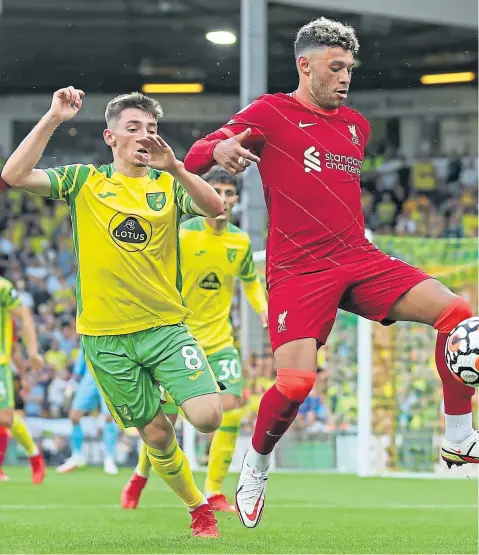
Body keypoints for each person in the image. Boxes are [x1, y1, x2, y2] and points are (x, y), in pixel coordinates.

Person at [183, 17, 478, 528]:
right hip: (299, 270)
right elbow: (196, 153)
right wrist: (222, 149)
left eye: (349, 68)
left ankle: (457, 436)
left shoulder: (356, 126)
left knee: (458, 313)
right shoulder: (271, 111)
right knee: (295, 383)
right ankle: (255, 462)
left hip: (358, 258)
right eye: (335, 67)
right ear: (305, 65)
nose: (345, 77)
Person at [1, 87, 226, 538]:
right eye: (134, 127)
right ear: (111, 137)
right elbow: (15, 174)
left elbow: (215, 207)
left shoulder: (167, 184)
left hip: (165, 328)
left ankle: (168, 397)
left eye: (153, 129)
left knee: (207, 418)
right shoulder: (86, 181)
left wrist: (178, 168)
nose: (146, 136)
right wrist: (52, 118)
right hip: (106, 339)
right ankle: (197, 508)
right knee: (158, 436)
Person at [121, 166, 268, 511]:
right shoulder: (183, 234)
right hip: (180, 341)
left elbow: (249, 281)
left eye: (229, 193)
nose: (223, 198)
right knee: (166, 421)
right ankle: (140, 474)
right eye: (216, 191)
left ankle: (214, 490)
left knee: (232, 407)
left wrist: (262, 307)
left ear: (235, 200)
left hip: (220, 342)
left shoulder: (240, 241)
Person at [0, 280, 45, 484]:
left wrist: (33, 353)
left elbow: (24, 316)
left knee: (5, 419)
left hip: (1, 363)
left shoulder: (3, 288)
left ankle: (34, 456)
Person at [56, 347, 119, 475]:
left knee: (109, 416)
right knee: (74, 416)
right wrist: (76, 376)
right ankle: (77, 456)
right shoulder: (86, 329)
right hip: (89, 377)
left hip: (108, 374)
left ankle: (109, 458)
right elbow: (83, 349)